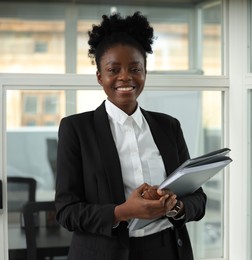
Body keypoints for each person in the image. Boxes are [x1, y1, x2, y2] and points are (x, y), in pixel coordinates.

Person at [54, 11, 207, 260]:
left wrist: (175, 206)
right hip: (105, 253)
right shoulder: (76, 129)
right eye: (113, 69)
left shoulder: (168, 126)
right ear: (100, 77)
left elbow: (197, 200)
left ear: (145, 73)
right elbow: (66, 212)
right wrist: (122, 211)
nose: (125, 76)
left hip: (167, 250)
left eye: (135, 68)